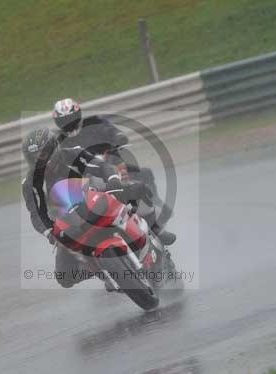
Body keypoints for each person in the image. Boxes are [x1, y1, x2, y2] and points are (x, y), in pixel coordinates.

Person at [52, 98, 176, 245]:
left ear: (78, 114)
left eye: (71, 118)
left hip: (110, 164)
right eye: (64, 120)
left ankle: (156, 223)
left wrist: (118, 137)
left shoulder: (94, 124)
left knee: (143, 175)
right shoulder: (58, 141)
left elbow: (111, 131)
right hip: (85, 177)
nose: (69, 123)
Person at [22, 127, 133, 288]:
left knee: (134, 193)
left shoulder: (72, 154)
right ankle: (105, 270)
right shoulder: (30, 183)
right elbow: (36, 214)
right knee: (64, 276)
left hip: (96, 197)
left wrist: (113, 180)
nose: (40, 161)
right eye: (35, 159)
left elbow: (101, 167)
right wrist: (50, 232)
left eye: (43, 155)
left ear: (54, 148)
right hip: (67, 220)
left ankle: (154, 231)